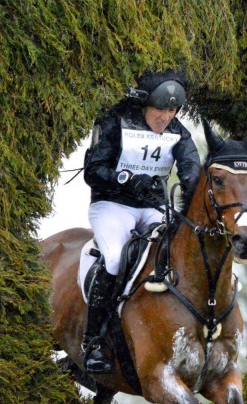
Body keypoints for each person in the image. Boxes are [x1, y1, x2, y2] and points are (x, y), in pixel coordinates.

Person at [81, 70, 201, 373]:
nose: (165, 117)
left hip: (152, 207)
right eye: (160, 109)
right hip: (111, 205)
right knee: (113, 259)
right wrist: (127, 179)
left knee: (179, 251)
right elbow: (93, 171)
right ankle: (92, 341)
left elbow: (191, 166)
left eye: (172, 110)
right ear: (144, 105)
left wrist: (191, 181)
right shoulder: (117, 122)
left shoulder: (178, 130)